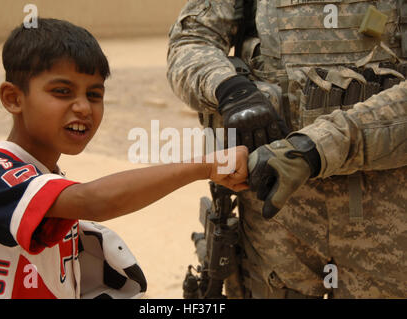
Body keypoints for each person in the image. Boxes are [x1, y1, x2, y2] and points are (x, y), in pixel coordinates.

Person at [0, 18, 249, 299]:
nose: (84, 107)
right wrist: (206, 166)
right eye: (62, 92)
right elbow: (94, 202)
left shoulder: (45, 179)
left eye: (95, 95)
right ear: (13, 98)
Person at [167, 0, 406, 298]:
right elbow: (190, 41)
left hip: (387, 224)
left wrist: (319, 147)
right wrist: (231, 90)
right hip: (273, 218)